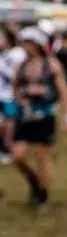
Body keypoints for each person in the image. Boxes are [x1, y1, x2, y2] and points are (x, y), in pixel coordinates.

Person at [10, 26, 67, 205]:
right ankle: (34, 180)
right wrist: (20, 98)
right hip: (25, 116)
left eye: (26, 42)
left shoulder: (51, 65)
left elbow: (64, 91)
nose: (23, 46)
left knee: (41, 157)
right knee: (18, 156)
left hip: (45, 115)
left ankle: (42, 193)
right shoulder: (22, 66)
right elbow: (15, 87)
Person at [0, 25, 25, 163]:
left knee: (9, 123)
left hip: (10, 95)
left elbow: (19, 75)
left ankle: (7, 148)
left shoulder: (17, 53)